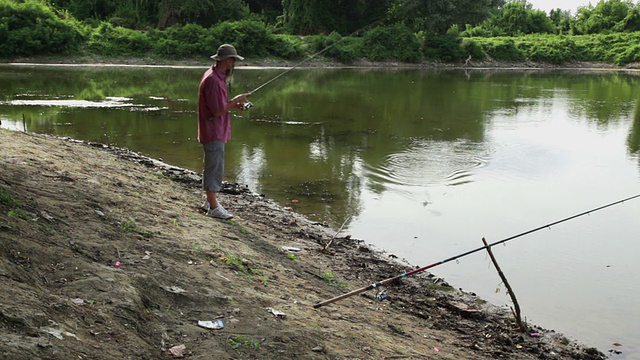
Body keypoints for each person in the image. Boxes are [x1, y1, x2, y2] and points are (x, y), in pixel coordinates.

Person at [198, 43, 250, 219]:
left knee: (212, 165)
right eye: (234, 60)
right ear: (227, 60)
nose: (234, 64)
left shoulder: (216, 77)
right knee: (215, 167)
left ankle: (209, 201)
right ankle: (213, 208)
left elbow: (220, 107)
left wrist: (235, 105)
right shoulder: (213, 80)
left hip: (215, 130)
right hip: (213, 131)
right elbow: (217, 111)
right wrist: (235, 101)